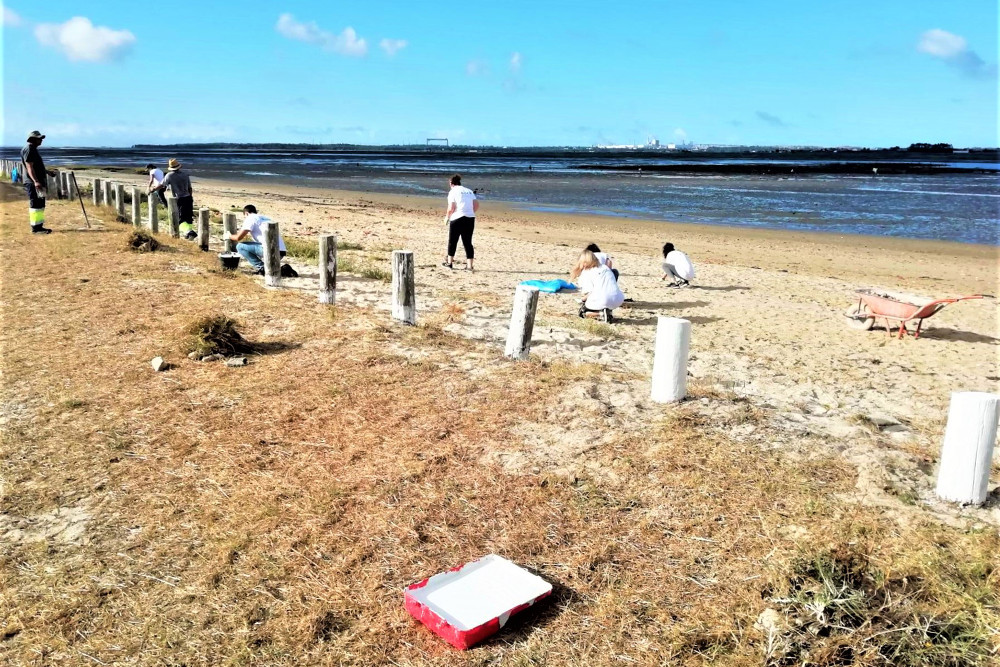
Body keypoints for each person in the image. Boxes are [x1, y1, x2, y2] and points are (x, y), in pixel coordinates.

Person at [229, 205, 287, 275]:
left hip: (271, 251)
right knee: (253, 244)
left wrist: (229, 236)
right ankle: (270, 268)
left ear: (246, 213)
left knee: (240, 246)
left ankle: (261, 267)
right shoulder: (264, 218)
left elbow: (238, 238)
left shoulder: (250, 218)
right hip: (281, 251)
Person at [570, 249, 624, 323]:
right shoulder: (606, 268)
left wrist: (582, 300)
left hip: (603, 299)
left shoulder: (587, 272)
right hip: (619, 299)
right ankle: (605, 311)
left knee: (582, 312)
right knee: (602, 300)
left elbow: (589, 293)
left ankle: (601, 314)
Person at [20, 130, 56, 234]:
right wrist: (35, 181)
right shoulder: (29, 149)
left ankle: (39, 226)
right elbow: (29, 166)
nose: (41, 140)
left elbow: (37, 166)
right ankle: (36, 229)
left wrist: (48, 172)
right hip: (33, 182)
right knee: (35, 204)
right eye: (39, 138)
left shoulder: (33, 149)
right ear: (33, 139)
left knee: (40, 204)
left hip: (38, 181)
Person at [443, 173, 478, 270]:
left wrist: (447, 217)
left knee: (453, 241)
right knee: (467, 242)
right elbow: (476, 205)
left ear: (451, 183)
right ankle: (470, 265)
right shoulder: (469, 191)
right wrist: (469, 212)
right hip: (470, 218)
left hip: (457, 218)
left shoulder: (453, 192)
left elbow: (451, 208)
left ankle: (449, 263)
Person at [157, 158, 196, 240]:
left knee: (179, 218)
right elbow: (190, 188)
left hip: (179, 199)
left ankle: (189, 232)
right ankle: (188, 235)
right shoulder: (185, 175)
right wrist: (190, 197)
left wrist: (153, 189)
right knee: (188, 217)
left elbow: (162, 185)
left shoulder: (170, 175)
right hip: (188, 198)